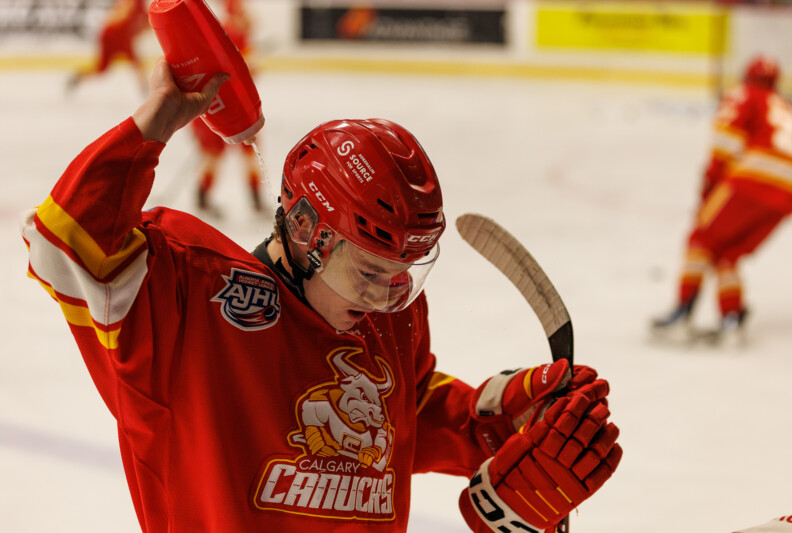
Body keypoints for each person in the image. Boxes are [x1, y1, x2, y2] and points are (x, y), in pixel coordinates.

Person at [23, 58, 621, 532]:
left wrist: (496, 420)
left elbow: (402, 414)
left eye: (405, 271)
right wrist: (153, 124)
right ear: (307, 231)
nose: (391, 295)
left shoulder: (388, 312)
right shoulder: (190, 300)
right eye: (369, 271)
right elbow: (63, 245)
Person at [652, 55, 792, 343]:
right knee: (727, 251)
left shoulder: (743, 94)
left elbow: (724, 143)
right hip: (790, 194)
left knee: (701, 238)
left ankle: (682, 312)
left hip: (753, 181)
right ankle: (732, 319)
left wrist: (709, 189)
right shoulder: (785, 105)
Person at [190, 0, 266, 215]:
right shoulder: (237, 34)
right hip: (234, 106)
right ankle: (257, 200)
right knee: (248, 150)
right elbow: (251, 70)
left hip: (212, 105)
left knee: (213, 153)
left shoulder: (222, 31)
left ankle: (202, 197)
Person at [67, 0, 149, 94]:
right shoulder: (134, 3)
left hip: (122, 38)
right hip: (112, 36)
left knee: (136, 63)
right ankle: (77, 78)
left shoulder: (141, 9)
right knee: (102, 68)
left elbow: (144, 24)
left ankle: (145, 90)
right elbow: (121, 14)